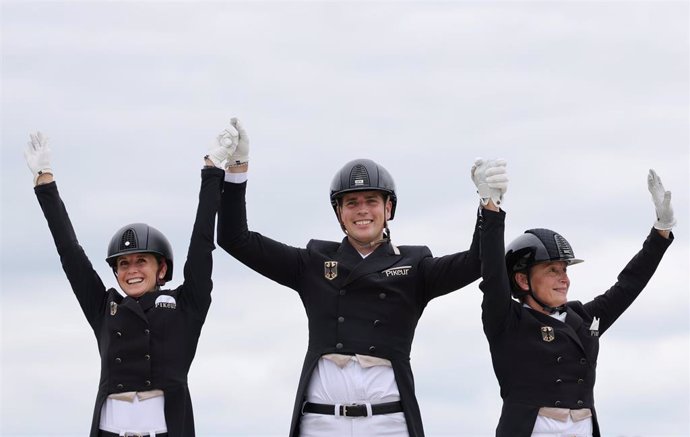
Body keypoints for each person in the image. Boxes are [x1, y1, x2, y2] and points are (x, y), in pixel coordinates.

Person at [214, 118, 508, 437]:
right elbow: (235, 239)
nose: (361, 210)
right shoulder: (313, 261)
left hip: (388, 423)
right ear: (340, 213)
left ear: (388, 207)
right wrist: (236, 170)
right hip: (321, 423)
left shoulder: (415, 265)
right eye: (351, 203)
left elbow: (478, 261)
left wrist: (488, 206)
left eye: (371, 201)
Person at [24, 129, 232, 436]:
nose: (131, 270)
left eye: (140, 261)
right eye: (123, 264)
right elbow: (70, 252)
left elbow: (202, 243)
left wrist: (212, 171)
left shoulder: (186, 305)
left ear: (162, 269)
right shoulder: (103, 307)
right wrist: (45, 181)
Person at [474, 161, 675, 437]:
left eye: (565, 270)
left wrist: (661, 233)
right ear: (522, 280)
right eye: (553, 271)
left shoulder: (582, 318)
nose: (564, 279)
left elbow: (628, 285)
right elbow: (494, 274)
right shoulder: (507, 320)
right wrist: (491, 208)